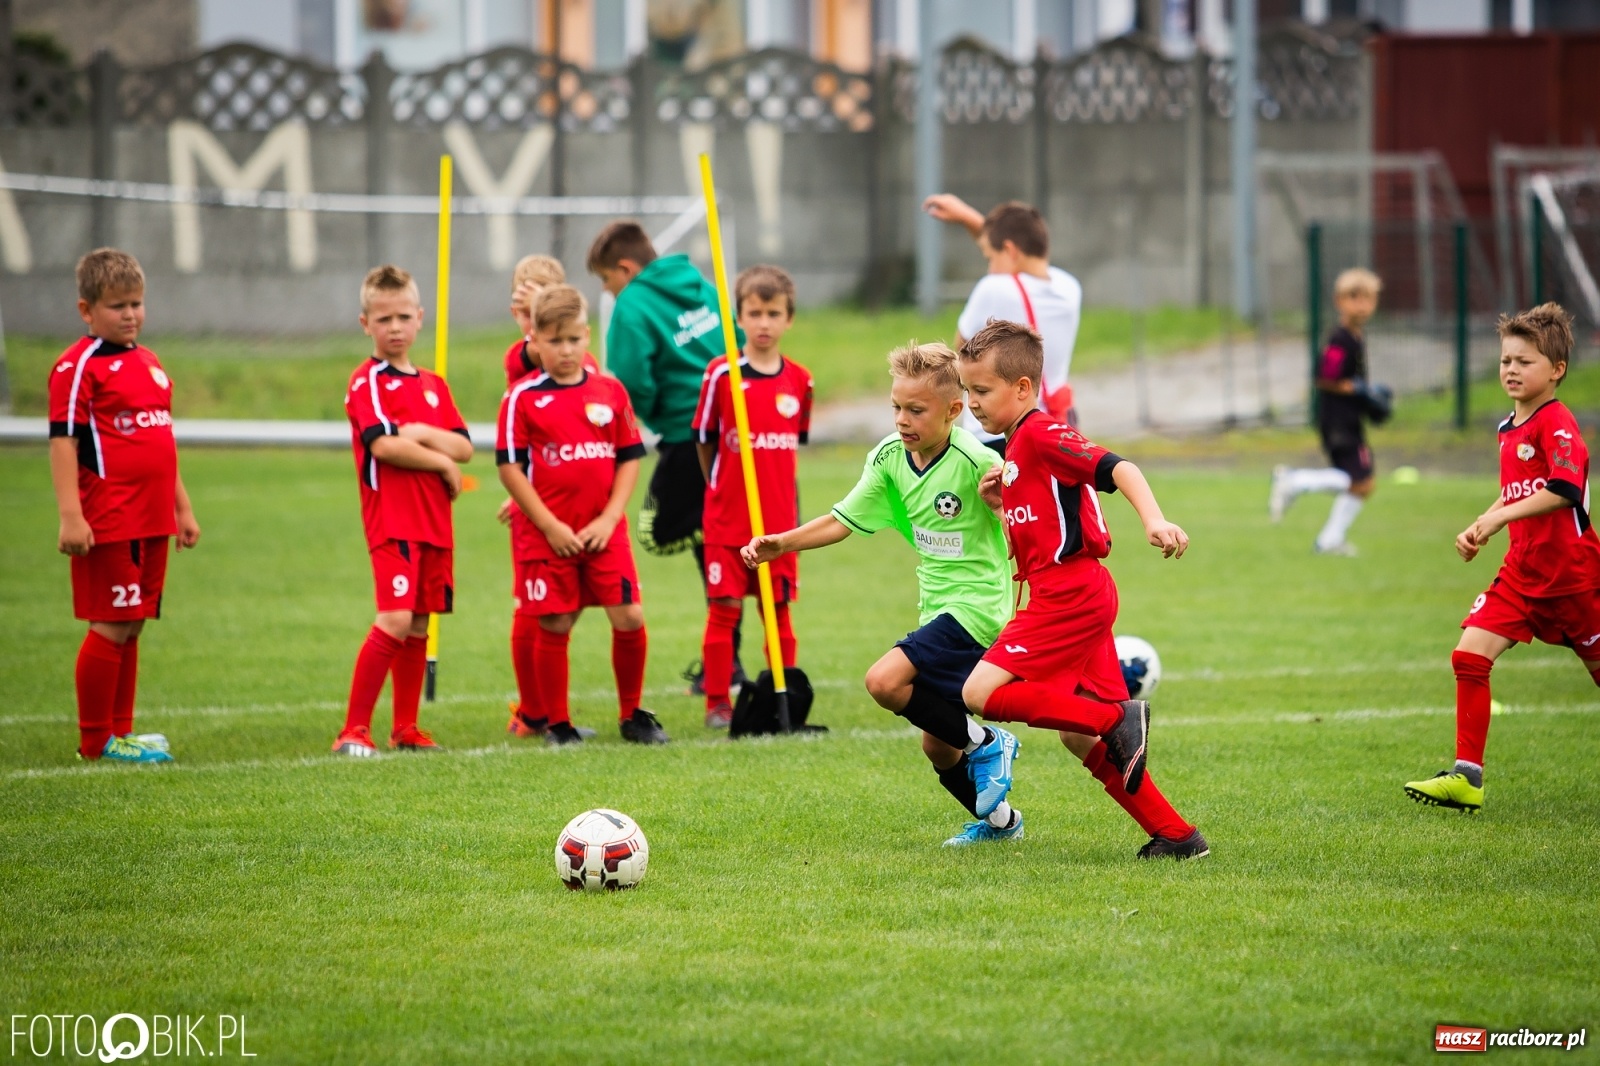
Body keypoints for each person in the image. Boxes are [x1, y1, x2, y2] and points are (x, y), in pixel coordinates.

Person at [743, 342, 1026, 847]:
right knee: (938, 746)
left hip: (980, 607)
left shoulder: (978, 460)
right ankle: (1002, 824)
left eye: (916, 410)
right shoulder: (890, 459)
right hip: (937, 607)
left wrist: (1002, 505)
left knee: (883, 681)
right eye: (896, 407)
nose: (902, 419)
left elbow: (1023, 535)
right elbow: (841, 520)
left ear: (954, 411)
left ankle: (990, 743)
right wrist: (780, 543)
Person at [957, 319, 1209, 861]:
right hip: (1074, 594)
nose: (972, 402)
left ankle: (1118, 717)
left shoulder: (1042, 433)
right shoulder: (1017, 448)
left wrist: (1154, 521)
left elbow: (1120, 468)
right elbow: (1047, 520)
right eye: (967, 390)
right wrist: (1002, 503)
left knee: (979, 694)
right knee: (1080, 738)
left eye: (981, 390)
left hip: (1068, 596)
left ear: (1022, 389)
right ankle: (1177, 835)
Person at [1405, 303, 1600, 814]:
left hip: (1572, 577)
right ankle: (1467, 777)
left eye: (1525, 362)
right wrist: (1483, 521)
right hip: (1523, 572)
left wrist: (1497, 520)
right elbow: (1517, 489)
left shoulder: (1557, 425)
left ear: (1556, 371)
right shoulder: (1509, 426)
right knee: (1469, 655)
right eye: (1505, 361)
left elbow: (1563, 488)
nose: (1511, 370)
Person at [496, 285, 668, 745]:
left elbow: (629, 457)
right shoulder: (521, 398)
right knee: (553, 621)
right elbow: (509, 468)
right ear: (534, 341)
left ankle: (633, 715)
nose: (566, 350)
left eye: (574, 339)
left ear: (587, 336)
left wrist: (610, 518)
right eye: (554, 341)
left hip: (603, 531)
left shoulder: (609, 391)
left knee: (629, 614)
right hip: (546, 536)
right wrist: (550, 525)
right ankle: (558, 725)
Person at [49, 248, 200, 764]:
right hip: (110, 516)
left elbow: (162, 441)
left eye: (136, 303)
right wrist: (72, 514)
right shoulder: (76, 368)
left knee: (133, 620)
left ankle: (121, 733)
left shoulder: (150, 363)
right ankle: (96, 741)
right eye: (117, 306)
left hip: (152, 517)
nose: (130, 314)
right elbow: (63, 442)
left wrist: (182, 507)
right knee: (111, 622)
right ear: (87, 310)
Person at [588, 220, 747, 692]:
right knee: (727, 542)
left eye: (606, 280)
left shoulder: (632, 302)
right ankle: (728, 659)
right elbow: (737, 336)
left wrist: (658, 416)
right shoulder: (698, 280)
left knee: (664, 532)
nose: (608, 291)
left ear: (625, 267)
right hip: (740, 432)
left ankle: (727, 663)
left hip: (687, 438)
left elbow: (631, 378)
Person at [332, 265, 473, 757]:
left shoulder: (434, 385)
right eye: (383, 318)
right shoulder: (366, 381)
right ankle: (353, 730)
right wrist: (439, 459)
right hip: (393, 520)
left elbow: (465, 447)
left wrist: (422, 436)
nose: (394, 327)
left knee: (418, 623)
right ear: (365, 322)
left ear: (420, 318)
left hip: (434, 521)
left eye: (403, 317)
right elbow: (383, 447)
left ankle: (405, 728)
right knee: (393, 619)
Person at [693, 266, 813, 728]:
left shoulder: (800, 381)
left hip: (780, 525)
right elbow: (703, 439)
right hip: (727, 520)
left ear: (789, 319)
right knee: (723, 609)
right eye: (754, 313)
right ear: (739, 318)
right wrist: (720, 488)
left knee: (777, 611)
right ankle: (717, 702)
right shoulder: (721, 373)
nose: (764, 322)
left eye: (773, 313)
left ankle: (781, 691)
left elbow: (790, 451)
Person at [923, 194, 1082, 445]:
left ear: (1009, 250)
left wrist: (968, 217)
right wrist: (971, 219)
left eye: (989, 259)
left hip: (996, 435)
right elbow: (1013, 252)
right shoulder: (1069, 288)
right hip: (1052, 431)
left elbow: (962, 352)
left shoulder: (993, 288)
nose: (989, 268)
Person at [1269, 267, 1383, 554]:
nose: (1361, 304)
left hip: (1348, 419)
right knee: (1360, 480)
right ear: (1339, 301)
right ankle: (1294, 481)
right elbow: (1325, 377)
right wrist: (1358, 390)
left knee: (1362, 484)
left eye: (1367, 297)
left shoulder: (1355, 337)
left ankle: (1329, 539)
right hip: (1337, 420)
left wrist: (1366, 397)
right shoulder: (1340, 339)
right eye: (1353, 297)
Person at [504, 254, 568, 385]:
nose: (537, 322)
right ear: (515, 313)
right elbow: (545, 350)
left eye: (548, 312)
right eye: (530, 313)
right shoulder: (515, 356)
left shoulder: (578, 350)